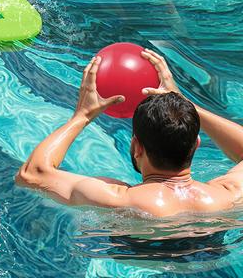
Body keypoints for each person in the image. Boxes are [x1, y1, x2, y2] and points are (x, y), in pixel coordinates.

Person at [15, 49, 243, 217]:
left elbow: (31, 174)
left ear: (136, 147)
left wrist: (81, 116)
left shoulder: (118, 199)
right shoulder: (228, 196)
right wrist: (187, 106)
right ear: (197, 144)